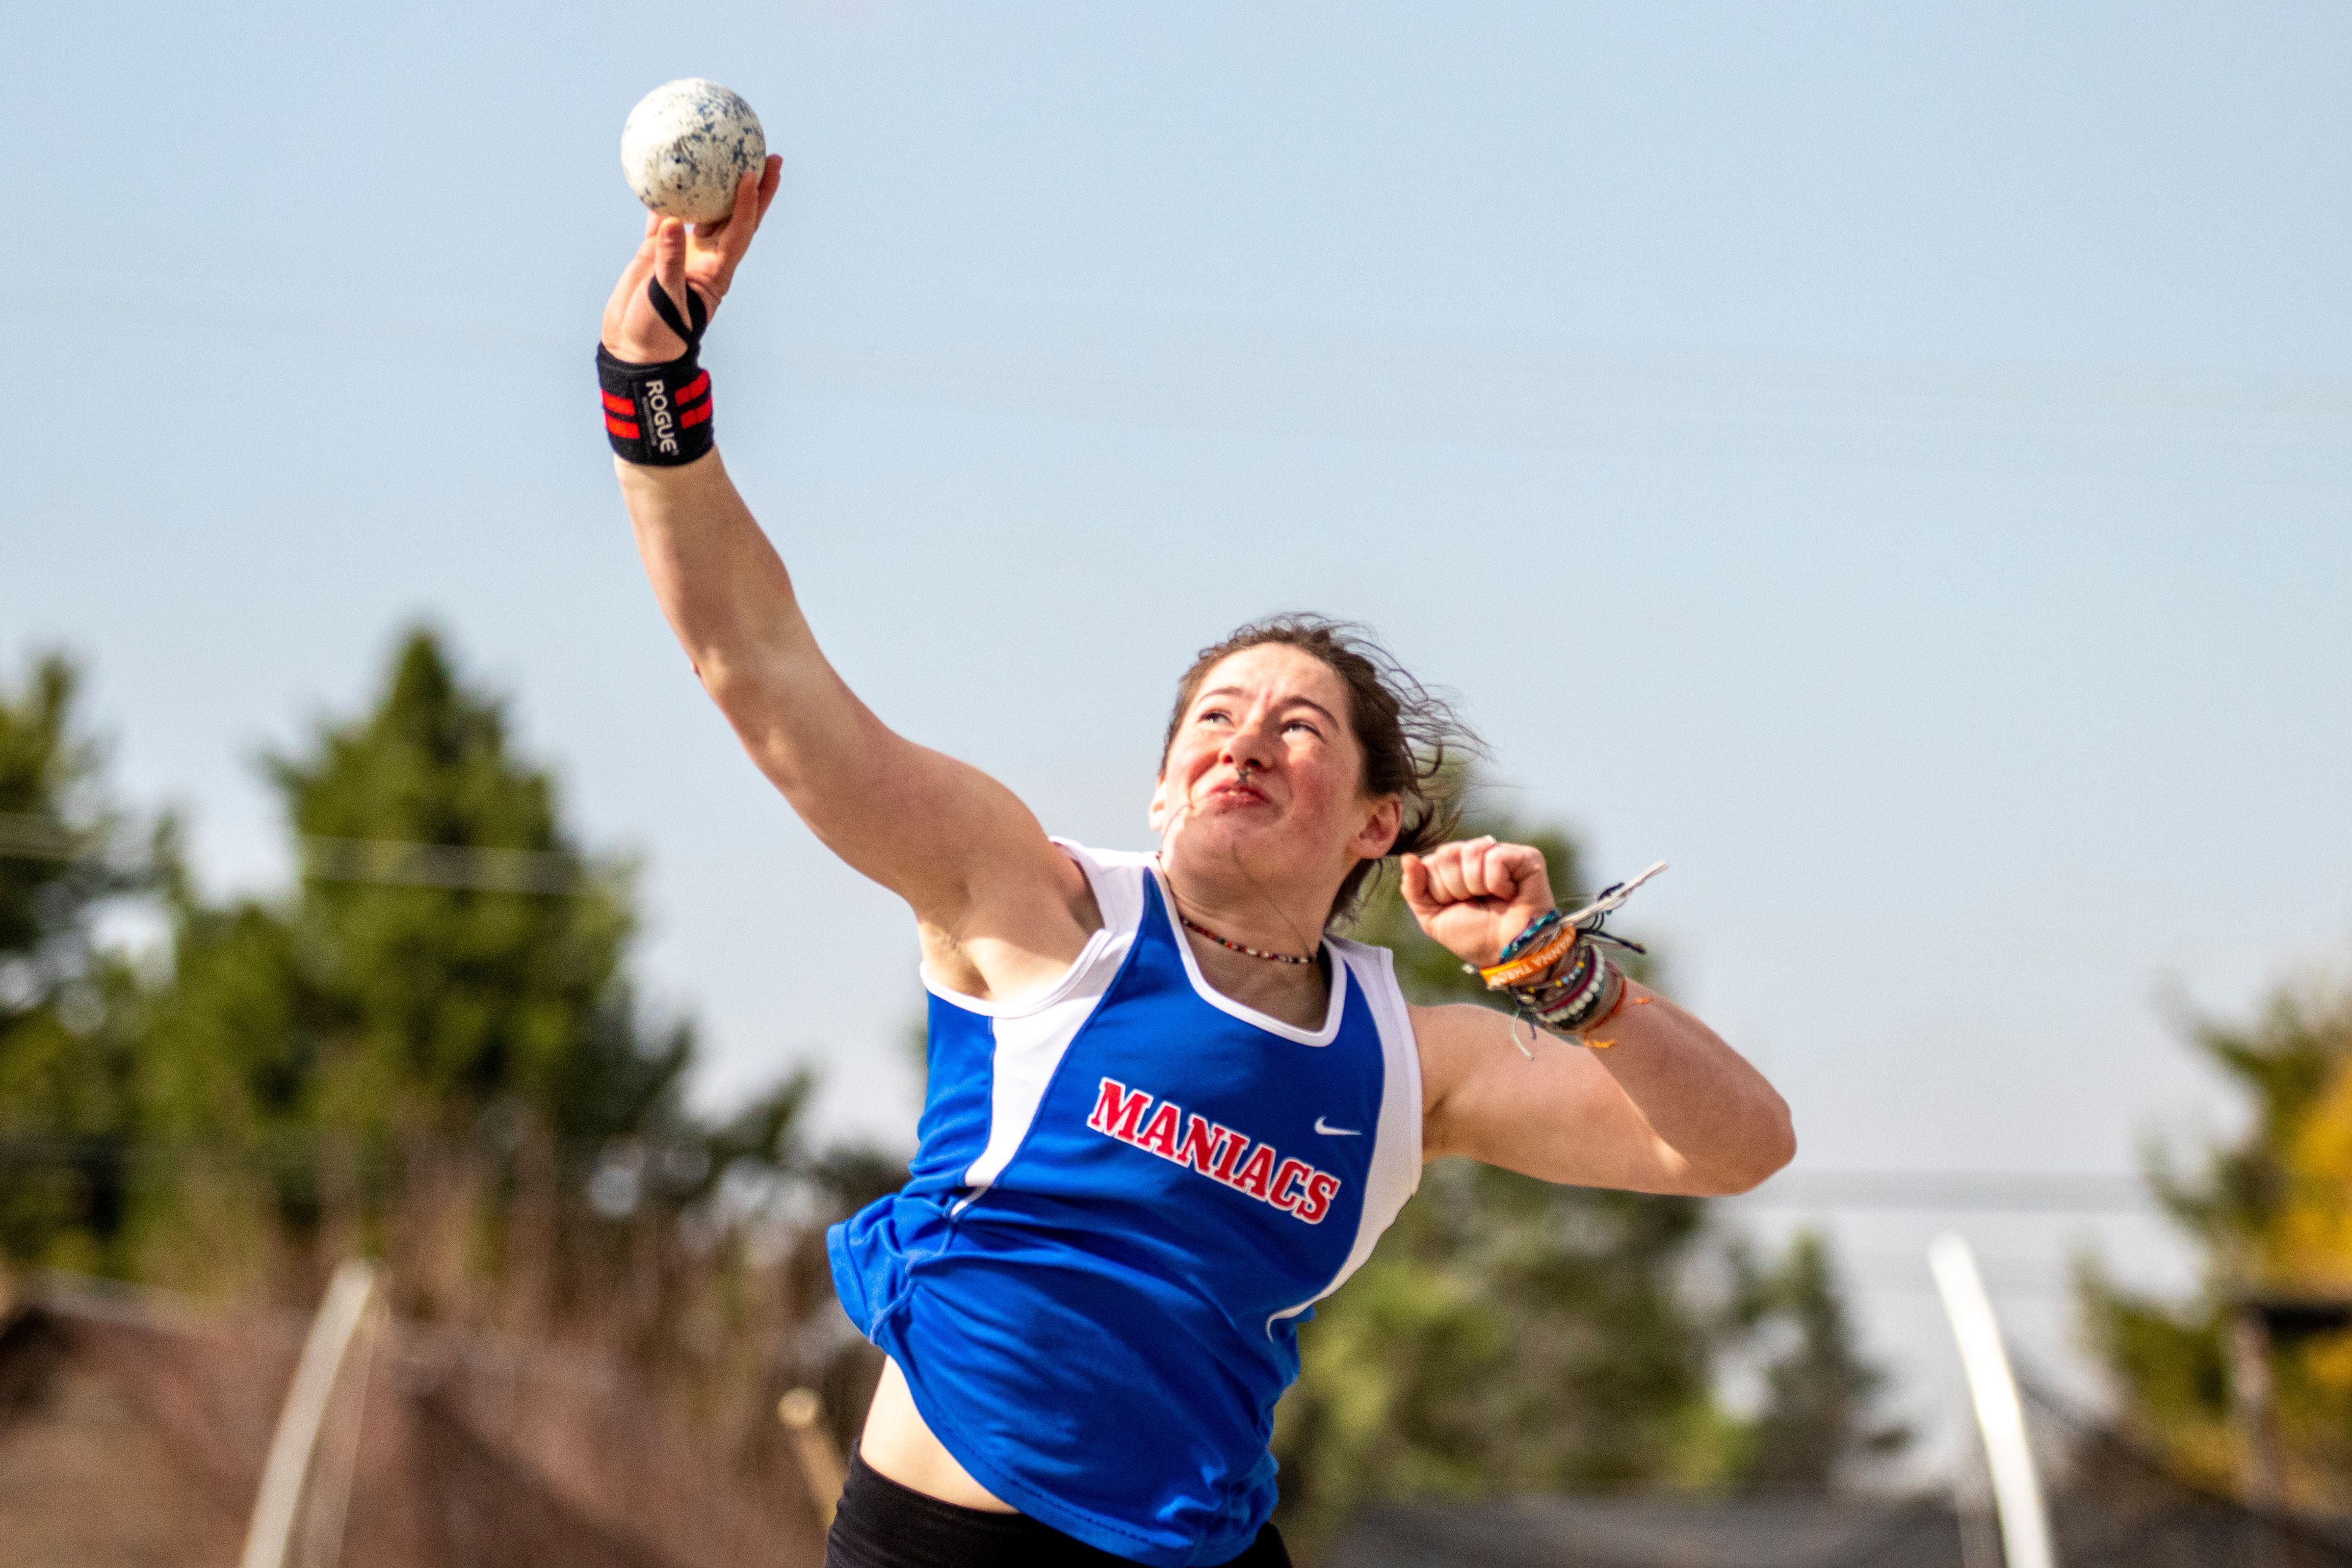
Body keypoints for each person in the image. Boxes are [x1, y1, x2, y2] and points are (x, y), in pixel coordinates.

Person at [598, 164, 1795, 1568]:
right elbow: (758, 664)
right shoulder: (1034, 908)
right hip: (951, 1543)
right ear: (1164, 783)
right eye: (1213, 721)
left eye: (1297, 729)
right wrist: (650, 389)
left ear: (1375, 823)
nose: (1245, 744)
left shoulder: (1412, 1062)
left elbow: (1738, 1145)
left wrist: (1555, 972)